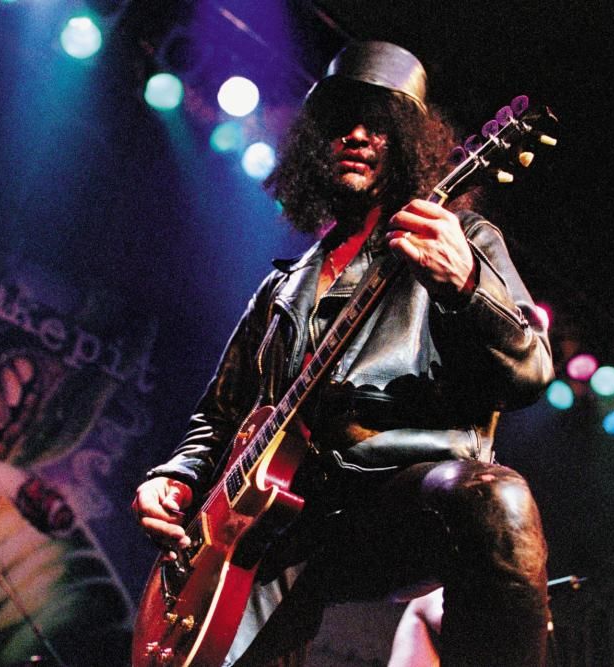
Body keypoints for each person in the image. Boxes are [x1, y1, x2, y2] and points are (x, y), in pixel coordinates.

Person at [133, 41, 553, 666]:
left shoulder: (460, 239)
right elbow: (218, 417)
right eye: (340, 123)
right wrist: (175, 475)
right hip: (280, 523)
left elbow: (531, 371)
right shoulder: (281, 290)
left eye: (379, 125)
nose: (356, 135)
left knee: (496, 502)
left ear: (408, 144)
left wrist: (466, 287)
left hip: (395, 497)